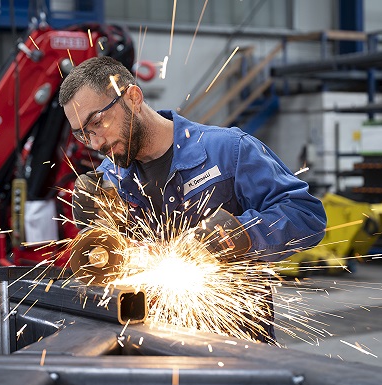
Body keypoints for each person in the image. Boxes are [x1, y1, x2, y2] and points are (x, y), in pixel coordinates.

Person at [59, 56, 327, 342]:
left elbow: (305, 215)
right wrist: (98, 242)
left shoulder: (228, 151)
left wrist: (237, 235)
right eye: (84, 134)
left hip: (234, 341)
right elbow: (109, 265)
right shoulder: (109, 179)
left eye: (98, 122)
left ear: (133, 97)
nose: (96, 143)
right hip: (148, 341)